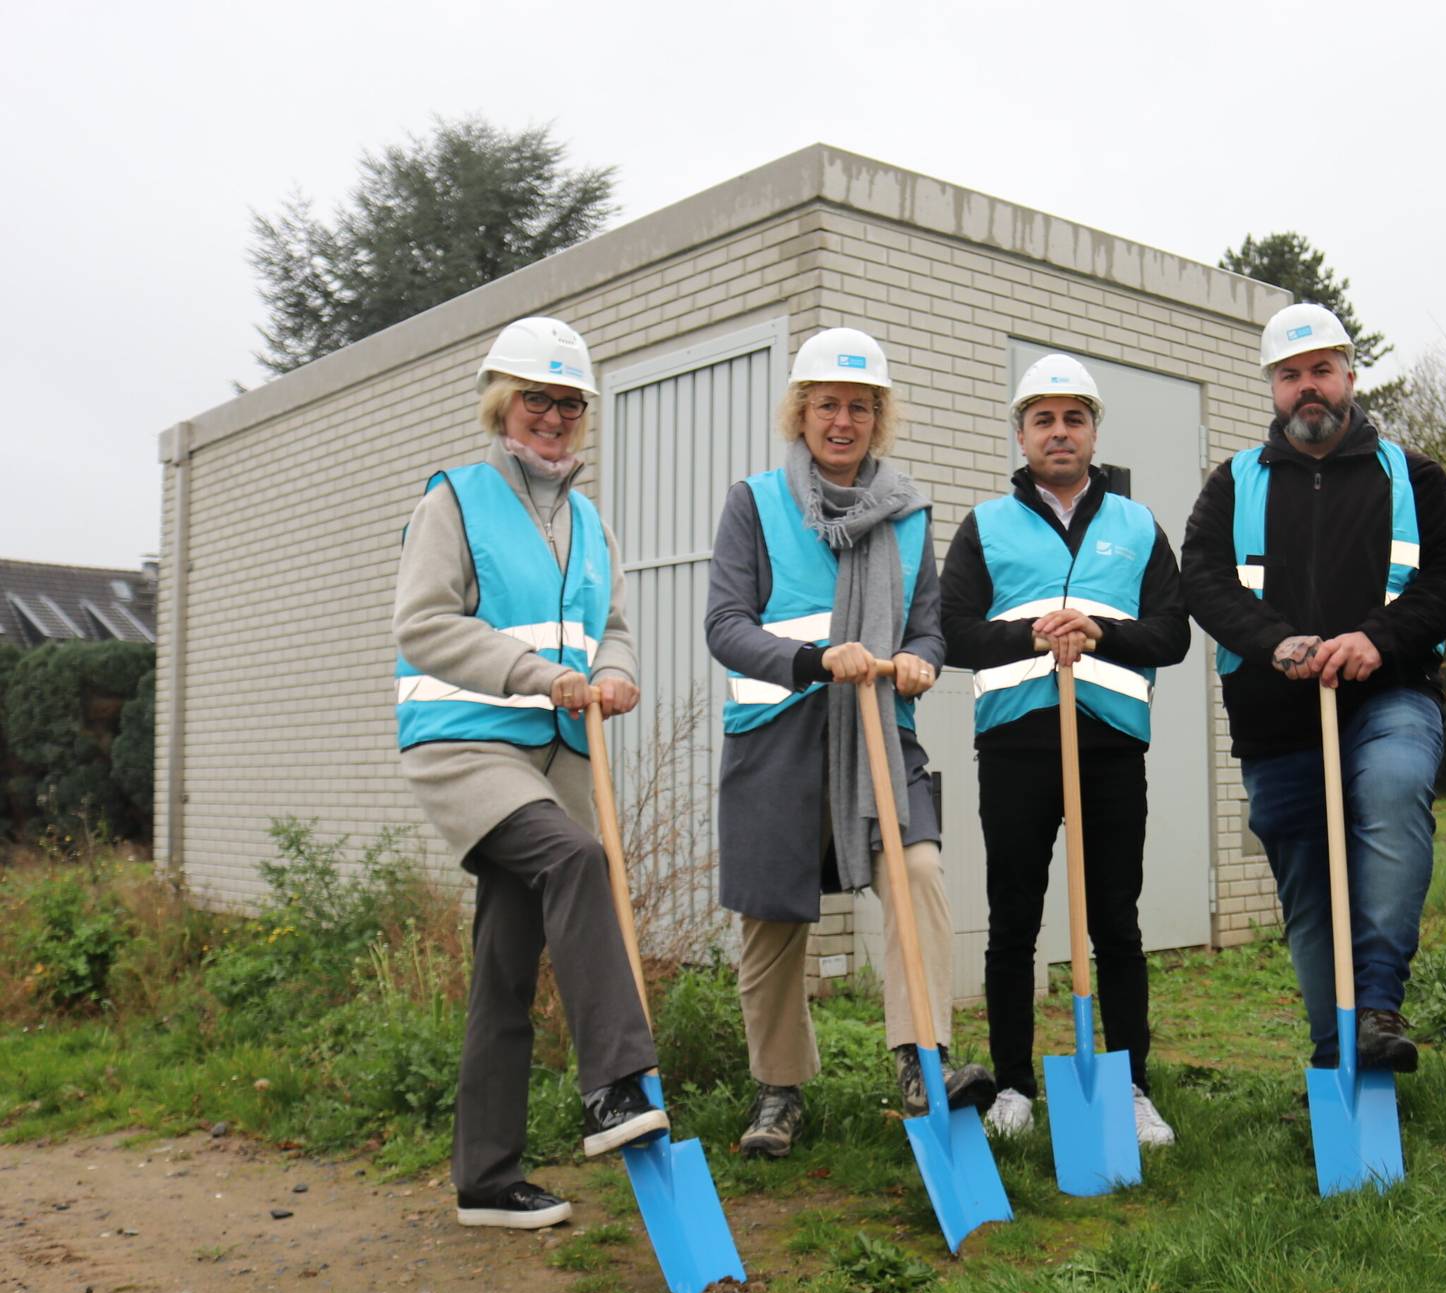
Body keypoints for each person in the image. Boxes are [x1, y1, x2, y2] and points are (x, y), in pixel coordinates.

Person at [395, 316, 669, 1230]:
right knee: (574, 858)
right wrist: (534, 674)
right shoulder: (456, 500)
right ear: (501, 403)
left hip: (558, 756)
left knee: (505, 963)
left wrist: (617, 669)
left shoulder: (590, 521)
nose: (552, 416)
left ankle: (486, 1177)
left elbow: (612, 624)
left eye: (568, 402)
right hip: (469, 744)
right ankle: (617, 1087)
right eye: (536, 398)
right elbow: (424, 624)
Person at [705, 326, 994, 1159]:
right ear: (800, 412)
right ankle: (779, 1089)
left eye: (860, 406)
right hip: (778, 734)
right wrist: (811, 659)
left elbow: (932, 628)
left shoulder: (907, 515)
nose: (843, 420)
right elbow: (725, 624)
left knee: (920, 871)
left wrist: (918, 660)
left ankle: (921, 1059)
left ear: (880, 417)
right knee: (770, 920)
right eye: (828, 403)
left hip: (878, 737)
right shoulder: (754, 502)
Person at [1181, 304, 1446, 1076]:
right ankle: (1337, 1060)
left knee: (1394, 787)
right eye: (1290, 375)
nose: (1306, 387)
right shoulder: (1234, 482)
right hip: (1276, 718)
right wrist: (1273, 641)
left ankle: (1378, 1002)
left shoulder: (1415, 477)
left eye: (1320, 370)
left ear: (1349, 374)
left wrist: (1375, 639)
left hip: (1390, 696)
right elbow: (1204, 580)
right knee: (1309, 892)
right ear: (1272, 389)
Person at [939, 353, 1191, 1145]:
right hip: (1016, 745)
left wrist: (1102, 632)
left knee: (1115, 921)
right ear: (1020, 434)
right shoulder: (986, 526)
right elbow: (954, 632)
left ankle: (1133, 1085)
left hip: (1111, 745)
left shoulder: (1137, 525)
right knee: (1013, 920)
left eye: (1073, 418)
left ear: (1092, 431)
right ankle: (1014, 1082)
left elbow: (1172, 633)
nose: (1059, 432)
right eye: (1043, 419)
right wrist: (1033, 632)